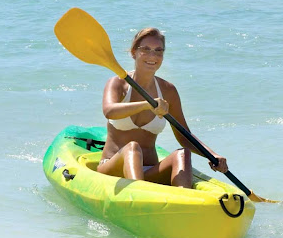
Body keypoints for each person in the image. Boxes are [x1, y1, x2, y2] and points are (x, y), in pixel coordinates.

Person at [97, 27, 229, 187]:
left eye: (158, 51)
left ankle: (183, 201)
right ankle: (141, 196)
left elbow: (184, 135)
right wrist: (147, 105)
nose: (153, 56)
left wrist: (212, 155)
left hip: (149, 170)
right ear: (134, 52)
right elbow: (109, 111)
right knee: (132, 148)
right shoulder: (118, 83)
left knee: (183, 154)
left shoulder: (168, 90)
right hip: (112, 168)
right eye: (145, 49)